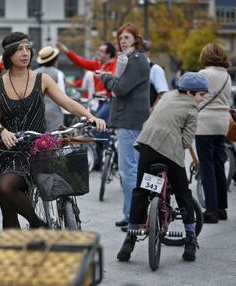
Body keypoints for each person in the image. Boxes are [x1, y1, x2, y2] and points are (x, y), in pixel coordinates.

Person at [0, 32, 106, 229]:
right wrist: (3, 131)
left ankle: (38, 225)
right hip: (6, 150)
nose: (25, 53)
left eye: (27, 48)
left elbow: (67, 102)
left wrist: (91, 116)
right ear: (9, 54)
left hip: (36, 149)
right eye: (19, 49)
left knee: (5, 187)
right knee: (7, 213)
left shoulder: (41, 79)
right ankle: (18, 251)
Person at [117, 72, 210, 262]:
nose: (203, 98)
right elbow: (185, 141)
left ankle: (129, 241)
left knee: (141, 191)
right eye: (202, 94)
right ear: (191, 93)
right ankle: (190, 240)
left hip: (146, 147)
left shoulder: (166, 96)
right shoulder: (192, 109)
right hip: (169, 155)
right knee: (183, 193)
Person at [95, 23, 150, 229]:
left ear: (136, 39)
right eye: (120, 37)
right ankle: (130, 214)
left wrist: (105, 77)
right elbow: (119, 88)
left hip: (130, 120)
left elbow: (121, 88)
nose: (123, 40)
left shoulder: (137, 60)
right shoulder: (129, 59)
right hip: (130, 119)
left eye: (127, 37)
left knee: (129, 170)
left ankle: (133, 217)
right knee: (131, 169)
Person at [56, 41, 117, 168]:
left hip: (110, 100)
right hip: (98, 101)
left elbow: (117, 79)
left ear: (108, 54)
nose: (98, 53)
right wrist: (66, 51)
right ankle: (99, 161)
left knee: (96, 124)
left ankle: (110, 150)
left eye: (101, 51)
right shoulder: (97, 64)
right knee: (96, 130)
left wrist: (107, 82)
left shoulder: (115, 65)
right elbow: (80, 61)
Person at [195, 42, 232, 223]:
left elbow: (194, 97)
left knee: (207, 167)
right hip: (222, 124)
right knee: (218, 166)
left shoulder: (203, 74)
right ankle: (222, 208)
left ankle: (210, 211)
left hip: (204, 124)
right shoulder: (227, 76)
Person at [35, 45, 66, 131]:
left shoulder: (34, 73)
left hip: (36, 111)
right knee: (53, 140)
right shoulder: (58, 73)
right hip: (54, 111)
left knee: (38, 140)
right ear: (54, 59)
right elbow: (61, 95)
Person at [142, 40, 169, 109]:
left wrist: (153, 110)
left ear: (147, 53)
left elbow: (163, 93)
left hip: (149, 114)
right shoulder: (133, 69)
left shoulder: (155, 69)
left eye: (140, 52)